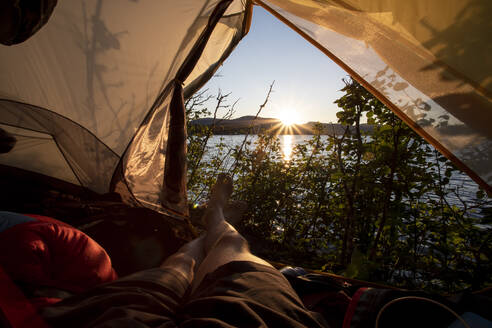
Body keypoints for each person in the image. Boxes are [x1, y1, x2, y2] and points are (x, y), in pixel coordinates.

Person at [41, 174, 329, 327]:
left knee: (178, 265)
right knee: (231, 245)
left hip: (121, 319)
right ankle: (215, 219)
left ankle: (210, 224)